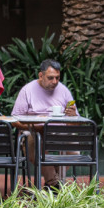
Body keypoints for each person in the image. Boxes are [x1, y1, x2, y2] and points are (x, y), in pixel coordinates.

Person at [12, 59, 78, 189]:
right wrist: (36, 127)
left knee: (74, 152)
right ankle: (54, 184)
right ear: (41, 75)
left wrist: (73, 116)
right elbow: (15, 120)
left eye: (57, 78)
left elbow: (75, 123)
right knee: (34, 146)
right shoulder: (27, 90)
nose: (55, 81)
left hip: (58, 132)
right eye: (50, 78)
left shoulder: (63, 90)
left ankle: (52, 182)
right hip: (34, 132)